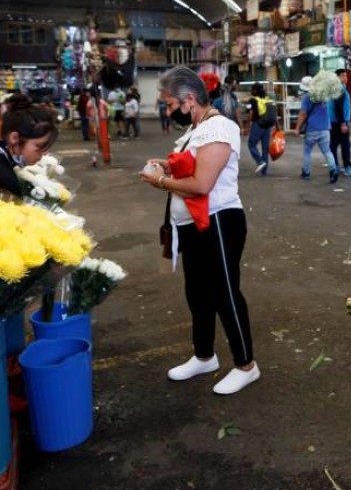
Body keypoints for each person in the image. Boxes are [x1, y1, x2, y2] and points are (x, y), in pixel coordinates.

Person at [139, 66, 259, 395]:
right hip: (192, 224)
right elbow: (192, 168)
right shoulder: (197, 129)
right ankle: (204, 355)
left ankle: (246, 364)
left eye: (169, 104)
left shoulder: (219, 127)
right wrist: (166, 167)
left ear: (189, 99)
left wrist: (160, 180)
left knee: (225, 292)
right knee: (198, 293)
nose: (167, 111)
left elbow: (202, 183)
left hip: (219, 221)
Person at [0, 94, 58, 195]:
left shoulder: (6, 160)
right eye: (39, 146)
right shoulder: (4, 177)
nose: (44, 154)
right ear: (14, 138)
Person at [295, 75, 339, 184]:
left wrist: (297, 128)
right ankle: (333, 170)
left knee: (307, 151)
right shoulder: (324, 96)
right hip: (325, 128)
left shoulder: (307, 97)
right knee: (327, 151)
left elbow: (303, 114)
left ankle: (306, 172)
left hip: (312, 129)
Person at [329, 69, 351, 177]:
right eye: (343, 76)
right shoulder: (340, 89)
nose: (346, 78)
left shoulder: (334, 89)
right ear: (337, 78)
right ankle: (348, 168)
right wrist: (343, 123)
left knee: (333, 146)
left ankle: (335, 167)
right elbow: (339, 108)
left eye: (346, 76)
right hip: (339, 122)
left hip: (333, 123)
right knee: (345, 146)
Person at [247, 83, 275, 176]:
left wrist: (248, 125)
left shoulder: (253, 100)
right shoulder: (267, 98)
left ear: (255, 90)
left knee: (251, 144)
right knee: (265, 148)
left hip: (258, 124)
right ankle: (264, 171)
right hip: (267, 126)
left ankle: (260, 161)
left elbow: (251, 114)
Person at [87, 86, 110, 167]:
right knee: (97, 136)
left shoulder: (100, 102)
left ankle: (100, 150)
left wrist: (105, 116)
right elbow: (88, 112)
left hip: (101, 120)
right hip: (95, 120)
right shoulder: (91, 102)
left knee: (100, 136)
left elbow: (106, 108)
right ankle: (99, 150)